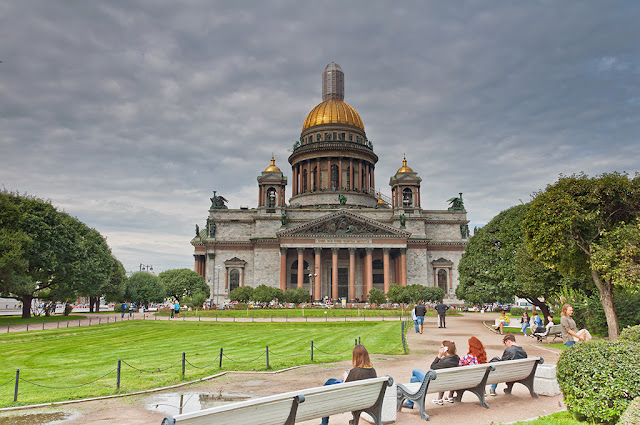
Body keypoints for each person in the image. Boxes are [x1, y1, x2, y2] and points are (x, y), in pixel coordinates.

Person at [321, 345, 377, 425]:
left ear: (356, 357)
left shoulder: (355, 371)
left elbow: (344, 389)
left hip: (351, 401)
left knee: (327, 390)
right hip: (366, 400)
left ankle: (324, 423)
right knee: (331, 381)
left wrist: (345, 377)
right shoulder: (372, 371)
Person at [403, 340, 460, 408]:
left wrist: (439, 356)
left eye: (441, 347)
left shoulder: (445, 361)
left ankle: (410, 402)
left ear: (446, 349)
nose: (440, 349)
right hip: (444, 383)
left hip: (433, 383)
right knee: (413, 379)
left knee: (415, 371)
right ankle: (409, 403)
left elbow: (432, 367)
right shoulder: (456, 358)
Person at [443, 337, 487, 403]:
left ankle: (450, 396)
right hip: (478, 380)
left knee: (454, 376)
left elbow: (457, 363)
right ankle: (451, 396)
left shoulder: (470, 357)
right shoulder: (482, 357)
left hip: (468, 380)